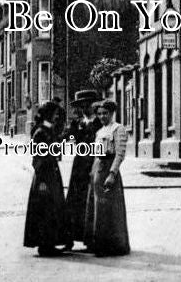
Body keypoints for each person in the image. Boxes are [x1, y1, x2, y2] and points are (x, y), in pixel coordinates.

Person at [84, 99, 130, 257]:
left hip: (109, 170)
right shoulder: (99, 131)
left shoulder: (118, 129)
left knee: (111, 208)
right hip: (98, 169)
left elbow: (120, 154)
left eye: (105, 113)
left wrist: (112, 174)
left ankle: (114, 245)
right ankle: (99, 244)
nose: (102, 116)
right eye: (100, 114)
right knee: (98, 207)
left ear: (112, 113)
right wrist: (93, 171)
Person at [24, 101, 66, 257]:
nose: (57, 116)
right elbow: (37, 159)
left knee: (51, 209)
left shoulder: (49, 130)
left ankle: (50, 243)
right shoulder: (41, 132)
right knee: (45, 210)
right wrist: (41, 181)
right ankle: (44, 245)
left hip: (51, 173)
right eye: (55, 113)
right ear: (49, 114)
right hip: (44, 176)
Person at [62, 89, 102, 251]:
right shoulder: (77, 123)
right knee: (74, 201)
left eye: (87, 105)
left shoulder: (99, 124)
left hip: (93, 163)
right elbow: (67, 137)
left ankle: (91, 239)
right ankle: (70, 238)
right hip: (79, 166)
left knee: (90, 200)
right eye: (81, 105)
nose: (84, 108)